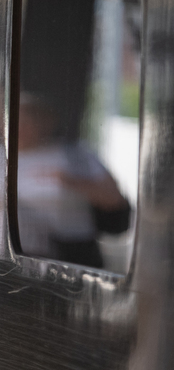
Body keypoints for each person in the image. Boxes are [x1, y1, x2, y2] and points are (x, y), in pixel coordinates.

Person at [16, 94, 130, 268]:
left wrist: (69, 181)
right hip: (20, 254)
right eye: (17, 119)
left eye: (29, 118)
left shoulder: (76, 155)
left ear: (47, 122)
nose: (22, 126)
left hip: (74, 252)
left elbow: (114, 199)